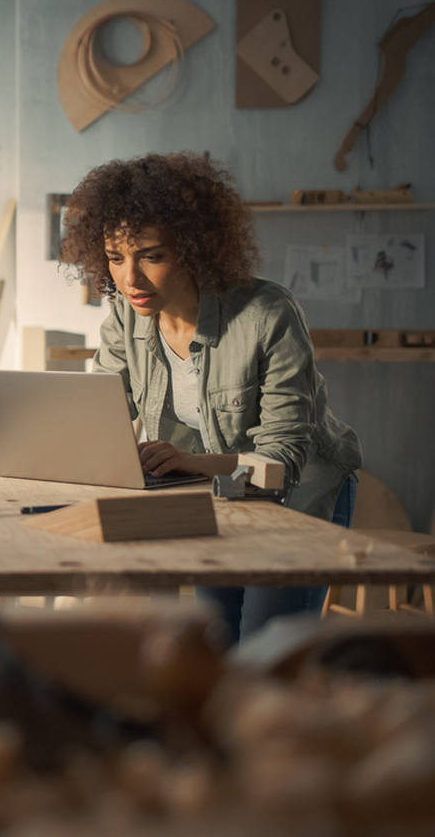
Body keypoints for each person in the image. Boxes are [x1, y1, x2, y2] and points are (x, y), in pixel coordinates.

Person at [59, 152, 361, 644]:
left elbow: (282, 461)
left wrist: (189, 463)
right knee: (216, 646)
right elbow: (103, 419)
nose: (129, 278)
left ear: (194, 249)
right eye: (116, 258)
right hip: (216, 495)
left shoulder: (268, 314)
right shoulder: (125, 319)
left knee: (265, 651)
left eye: (151, 255)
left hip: (299, 499)